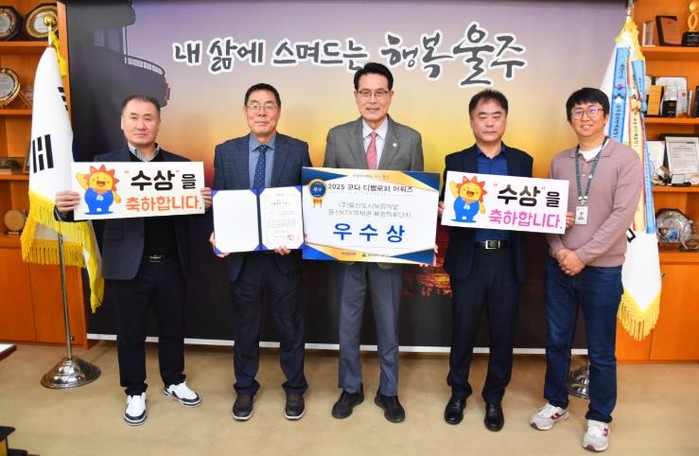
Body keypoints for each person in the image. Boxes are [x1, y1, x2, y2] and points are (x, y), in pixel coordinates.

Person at [54, 94, 213, 426]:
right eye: (134, 117)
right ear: (122, 123)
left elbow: (193, 213)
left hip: (171, 263)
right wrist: (63, 209)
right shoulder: (102, 166)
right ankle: (135, 390)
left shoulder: (180, 167)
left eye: (148, 118)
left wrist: (203, 203)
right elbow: (84, 210)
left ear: (159, 123)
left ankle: (174, 380)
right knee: (130, 333)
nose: (141, 124)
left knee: (173, 328)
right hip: (127, 266)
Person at [530, 87, 643, 453]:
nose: (585, 117)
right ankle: (556, 402)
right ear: (570, 119)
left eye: (593, 110)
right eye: (578, 111)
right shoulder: (560, 161)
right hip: (560, 266)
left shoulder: (625, 159)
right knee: (556, 341)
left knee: (601, 350)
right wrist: (560, 250)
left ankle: (599, 418)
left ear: (606, 116)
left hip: (602, 271)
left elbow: (621, 216)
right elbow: (547, 213)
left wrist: (583, 255)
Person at [323, 62, 424, 423]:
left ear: (390, 96)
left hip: (389, 252)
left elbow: (417, 198)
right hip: (348, 251)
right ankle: (351, 388)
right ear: (355, 96)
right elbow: (325, 195)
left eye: (380, 92)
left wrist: (420, 239)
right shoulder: (338, 136)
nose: (372, 99)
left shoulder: (410, 139)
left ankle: (389, 391)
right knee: (347, 324)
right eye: (365, 92)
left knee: (388, 324)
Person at [210, 83, 310, 421]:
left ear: (278, 111)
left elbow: (307, 200)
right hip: (243, 259)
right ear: (245, 111)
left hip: (283, 258)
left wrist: (295, 234)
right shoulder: (226, 152)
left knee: (291, 327)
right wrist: (219, 233)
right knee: (245, 328)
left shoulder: (297, 149)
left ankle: (295, 387)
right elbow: (221, 198)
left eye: (269, 106)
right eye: (255, 105)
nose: (262, 112)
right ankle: (244, 388)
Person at [438, 89, 533, 431]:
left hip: (507, 259)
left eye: (496, 116)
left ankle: (494, 397)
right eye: (482, 116)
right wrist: (442, 210)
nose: (489, 123)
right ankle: (458, 392)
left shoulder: (522, 161)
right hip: (470, 259)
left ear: (505, 119)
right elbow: (448, 208)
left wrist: (553, 216)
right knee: (463, 330)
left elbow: (532, 208)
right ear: (471, 121)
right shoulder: (456, 161)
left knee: (503, 333)